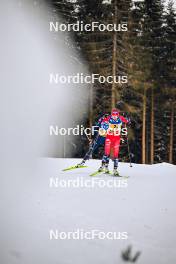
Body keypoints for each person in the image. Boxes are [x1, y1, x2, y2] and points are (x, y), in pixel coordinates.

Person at [98, 108, 129, 176]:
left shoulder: (121, 118)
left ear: (118, 114)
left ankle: (115, 170)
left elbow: (128, 121)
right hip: (109, 138)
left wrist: (127, 117)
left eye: (116, 114)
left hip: (116, 139)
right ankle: (103, 167)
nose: (114, 116)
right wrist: (103, 117)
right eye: (113, 114)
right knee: (106, 152)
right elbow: (100, 121)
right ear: (111, 114)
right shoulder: (108, 118)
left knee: (116, 154)